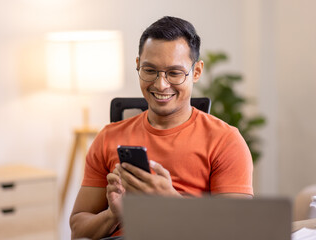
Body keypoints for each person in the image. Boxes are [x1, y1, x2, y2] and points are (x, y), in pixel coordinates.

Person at [70, 16, 253, 239]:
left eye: (174, 73)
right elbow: (78, 230)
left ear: (196, 72)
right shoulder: (109, 137)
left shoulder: (225, 140)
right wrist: (114, 215)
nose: (160, 84)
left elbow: (239, 230)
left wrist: (170, 200)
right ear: (138, 65)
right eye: (150, 70)